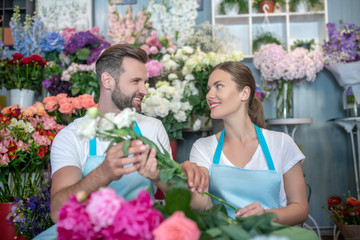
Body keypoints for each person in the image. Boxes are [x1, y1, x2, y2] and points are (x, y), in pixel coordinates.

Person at [34, 44, 208, 239]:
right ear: (107, 80)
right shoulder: (71, 136)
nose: (144, 90)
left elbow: (186, 200)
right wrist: (104, 173)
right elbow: (58, 212)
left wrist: (159, 176)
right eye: (135, 81)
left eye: (145, 82)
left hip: (139, 231)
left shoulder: (152, 128)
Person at [189, 61, 308, 226]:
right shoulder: (203, 148)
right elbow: (199, 204)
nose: (209, 95)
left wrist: (265, 216)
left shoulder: (281, 143)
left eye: (219, 86)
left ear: (244, 93)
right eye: (209, 89)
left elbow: (300, 208)